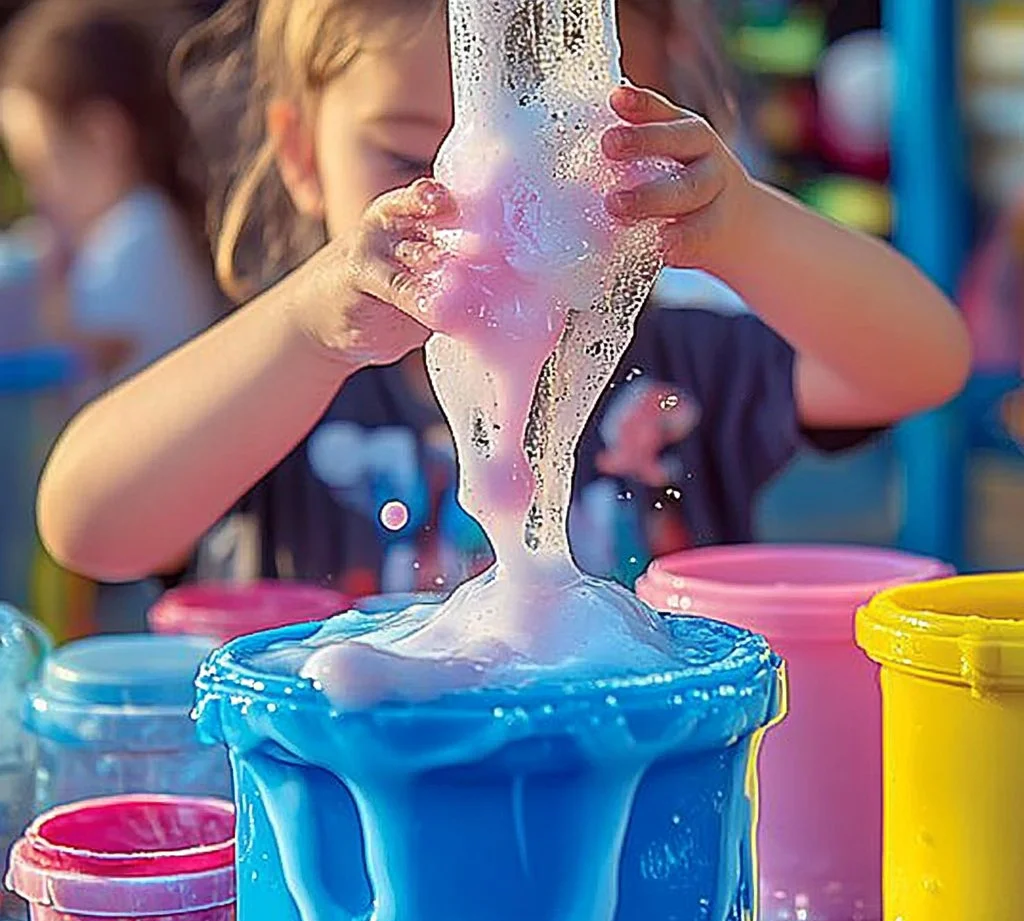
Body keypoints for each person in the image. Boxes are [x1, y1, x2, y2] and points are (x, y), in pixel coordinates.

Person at [36, 0, 969, 599]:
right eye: (408, 157)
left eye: (552, 158)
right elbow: (90, 528)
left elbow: (924, 363)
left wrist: (744, 228)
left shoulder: (682, 363)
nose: (478, 207)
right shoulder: (280, 387)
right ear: (300, 155)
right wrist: (303, 329)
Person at [0, 0, 222, 394]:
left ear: (104, 138)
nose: (38, 192)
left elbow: (92, 351)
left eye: (42, 163)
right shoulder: (142, 227)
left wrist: (51, 281)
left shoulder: (139, 232)